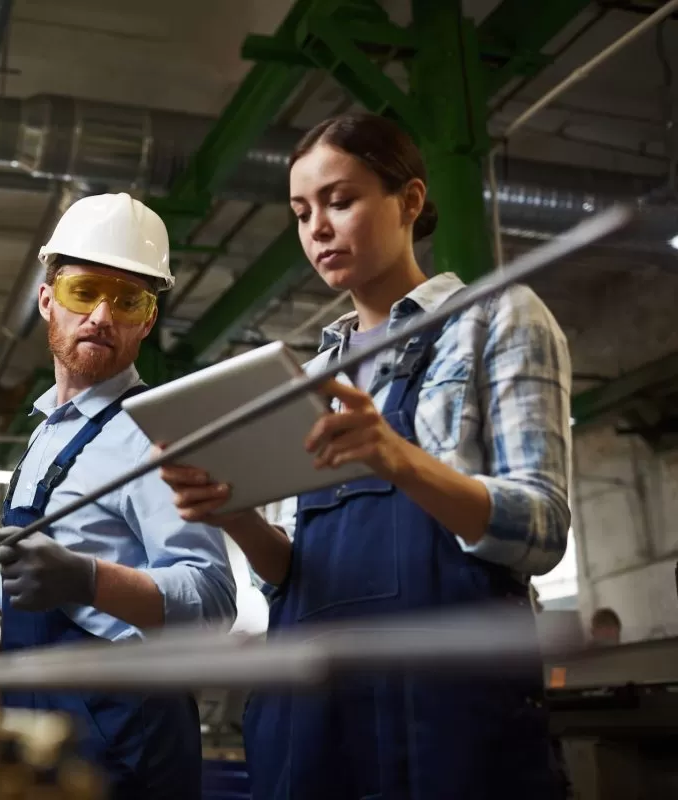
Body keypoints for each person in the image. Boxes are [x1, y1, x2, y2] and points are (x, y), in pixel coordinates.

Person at [157, 112, 573, 800]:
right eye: (301, 212)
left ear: (409, 201)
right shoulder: (304, 381)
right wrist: (232, 515)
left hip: (448, 719)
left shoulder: (496, 318)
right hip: (315, 724)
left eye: (339, 201)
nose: (316, 228)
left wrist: (400, 459)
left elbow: (543, 530)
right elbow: (292, 576)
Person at [0, 193, 238, 799]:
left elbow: (214, 600)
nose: (101, 316)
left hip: (126, 742)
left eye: (128, 300)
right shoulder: (46, 431)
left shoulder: (160, 435)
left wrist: (87, 580)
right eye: (82, 292)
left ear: (147, 320)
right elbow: (43, 576)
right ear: (47, 301)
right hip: (43, 724)